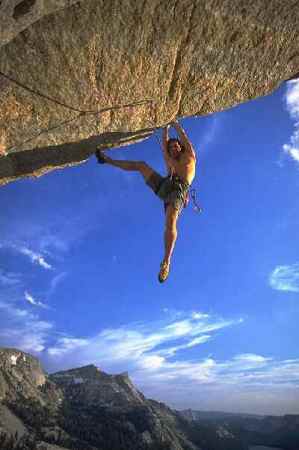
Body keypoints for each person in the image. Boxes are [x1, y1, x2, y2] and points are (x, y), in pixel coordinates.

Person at [95, 120, 196, 282]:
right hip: (167, 184)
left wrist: (175, 124)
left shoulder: (189, 156)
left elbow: (184, 138)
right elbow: (164, 146)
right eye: (171, 148)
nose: (173, 148)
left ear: (181, 147)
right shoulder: (170, 160)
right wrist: (165, 130)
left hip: (179, 191)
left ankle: (166, 261)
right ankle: (106, 159)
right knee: (140, 165)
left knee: (170, 221)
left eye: (176, 146)